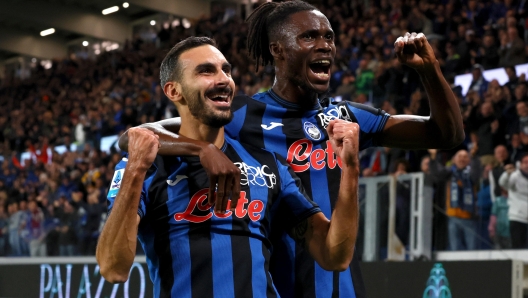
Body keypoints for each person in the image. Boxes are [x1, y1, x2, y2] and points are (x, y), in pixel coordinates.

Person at [119, 1, 464, 297]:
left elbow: (444, 135)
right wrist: (201, 150)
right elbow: (134, 137)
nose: (325, 44)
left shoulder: (348, 117)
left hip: (343, 284)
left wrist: (430, 71)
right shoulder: (240, 115)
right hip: (277, 286)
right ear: (278, 50)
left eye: (328, 36)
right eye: (310, 36)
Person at [97, 37, 361, 297]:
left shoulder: (269, 165)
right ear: (174, 91)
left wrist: (350, 169)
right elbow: (113, 269)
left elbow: (334, 256)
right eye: (206, 71)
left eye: (226, 70)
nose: (223, 79)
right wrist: (135, 169)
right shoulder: (147, 166)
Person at [429, 149, 480, 251]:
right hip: (453, 217)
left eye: (465, 156)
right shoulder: (449, 173)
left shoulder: (471, 174)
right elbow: (437, 173)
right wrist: (433, 157)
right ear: (454, 160)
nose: (462, 159)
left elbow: (476, 171)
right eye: (459, 156)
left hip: (469, 217)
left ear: (469, 160)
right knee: (455, 248)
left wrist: (474, 157)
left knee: (472, 250)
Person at [499, 154, 528, 248]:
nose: (527, 165)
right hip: (517, 218)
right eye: (525, 162)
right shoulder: (515, 175)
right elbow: (503, 183)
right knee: (518, 249)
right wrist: (507, 173)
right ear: (520, 164)